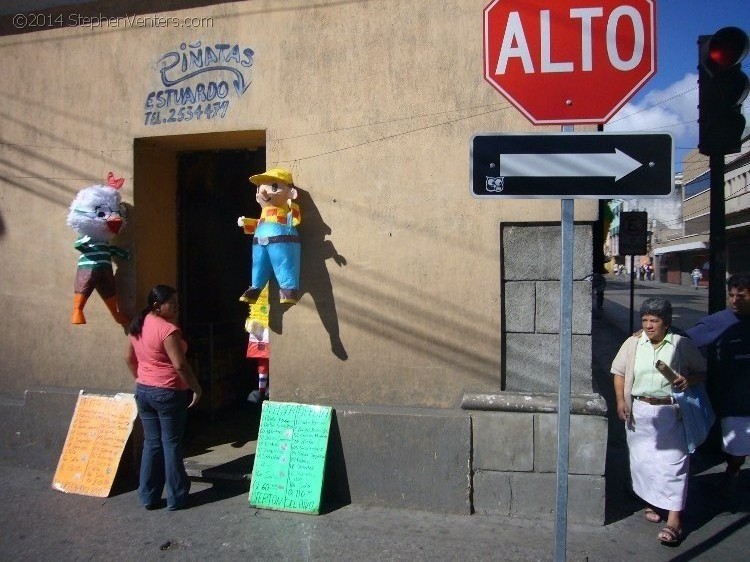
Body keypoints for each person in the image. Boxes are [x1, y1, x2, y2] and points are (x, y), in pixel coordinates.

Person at [611, 297, 706, 545]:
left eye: (655, 321)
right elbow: (619, 372)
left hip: (671, 412)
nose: (649, 326)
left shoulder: (680, 345)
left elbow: (702, 371)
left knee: (673, 464)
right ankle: (654, 502)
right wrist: (621, 401)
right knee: (644, 463)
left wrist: (689, 380)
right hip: (640, 410)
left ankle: (674, 520)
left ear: (667, 323)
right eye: (645, 320)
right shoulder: (633, 343)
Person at [125, 285, 202, 511]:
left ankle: (148, 496)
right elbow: (180, 365)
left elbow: (128, 358)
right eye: (173, 304)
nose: (177, 307)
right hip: (168, 393)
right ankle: (177, 496)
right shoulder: (168, 330)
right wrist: (196, 388)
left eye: (178, 303)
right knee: (171, 443)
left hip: (144, 391)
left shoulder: (138, 324)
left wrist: (143, 378)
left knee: (152, 443)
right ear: (157, 306)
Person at [687, 273, 750, 479]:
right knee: (737, 450)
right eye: (731, 295)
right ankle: (733, 473)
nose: (734, 301)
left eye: (741, 296)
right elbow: (682, 341)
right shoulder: (717, 322)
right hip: (734, 404)